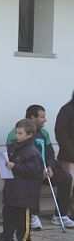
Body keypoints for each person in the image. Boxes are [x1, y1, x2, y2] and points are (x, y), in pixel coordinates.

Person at [6, 105, 74, 229]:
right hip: (27, 171)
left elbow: (50, 153)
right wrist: (37, 170)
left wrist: (50, 167)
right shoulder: (16, 133)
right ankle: (33, 215)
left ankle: (60, 215)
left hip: (44, 170)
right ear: (33, 118)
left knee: (66, 178)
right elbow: (13, 155)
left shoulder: (44, 133)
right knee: (34, 180)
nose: (45, 120)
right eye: (42, 117)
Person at [0, 119, 43, 241]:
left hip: (25, 192)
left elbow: (33, 170)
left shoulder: (31, 150)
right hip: (13, 189)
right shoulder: (15, 147)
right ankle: (7, 237)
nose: (16, 135)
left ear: (30, 135)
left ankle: (24, 240)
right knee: (8, 214)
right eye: (16, 132)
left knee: (22, 218)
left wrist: (15, 167)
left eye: (20, 133)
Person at [55, 89, 74, 219]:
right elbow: (60, 132)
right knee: (70, 184)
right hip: (69, 156)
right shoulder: (67, 109)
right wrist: (70, 150)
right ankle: (63, 214)